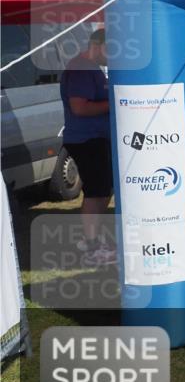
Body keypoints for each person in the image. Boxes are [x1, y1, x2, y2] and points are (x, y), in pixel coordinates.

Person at [60, 29, 116, 267]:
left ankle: (92, 240)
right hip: (86, 140)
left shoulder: (91, 68)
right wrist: (115, 102)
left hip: (95, 139)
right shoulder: (81, 68)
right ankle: (92, 247)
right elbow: (79, 108)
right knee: (96, 192)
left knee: (103, 189)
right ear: (99, 44)